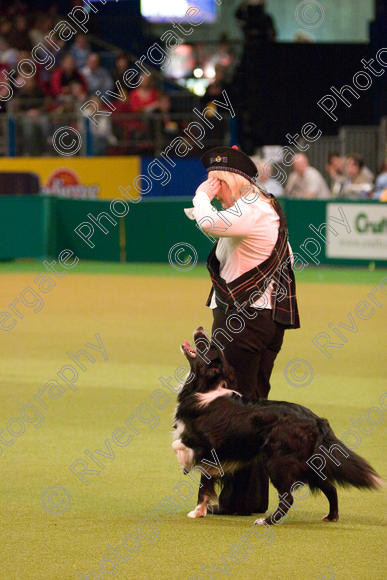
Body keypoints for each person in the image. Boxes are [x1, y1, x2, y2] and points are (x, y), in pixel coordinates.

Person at [184, 146, 300, 515]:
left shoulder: (253, 210)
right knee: (252, 407)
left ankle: (237, 500)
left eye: (218, 183)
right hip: (260, 320)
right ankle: (245, 499)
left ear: (231, 181)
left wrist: (201, 196)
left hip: (243, 322)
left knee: (232, 408)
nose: (214, 190)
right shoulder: (262, 209)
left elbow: (208, 223)